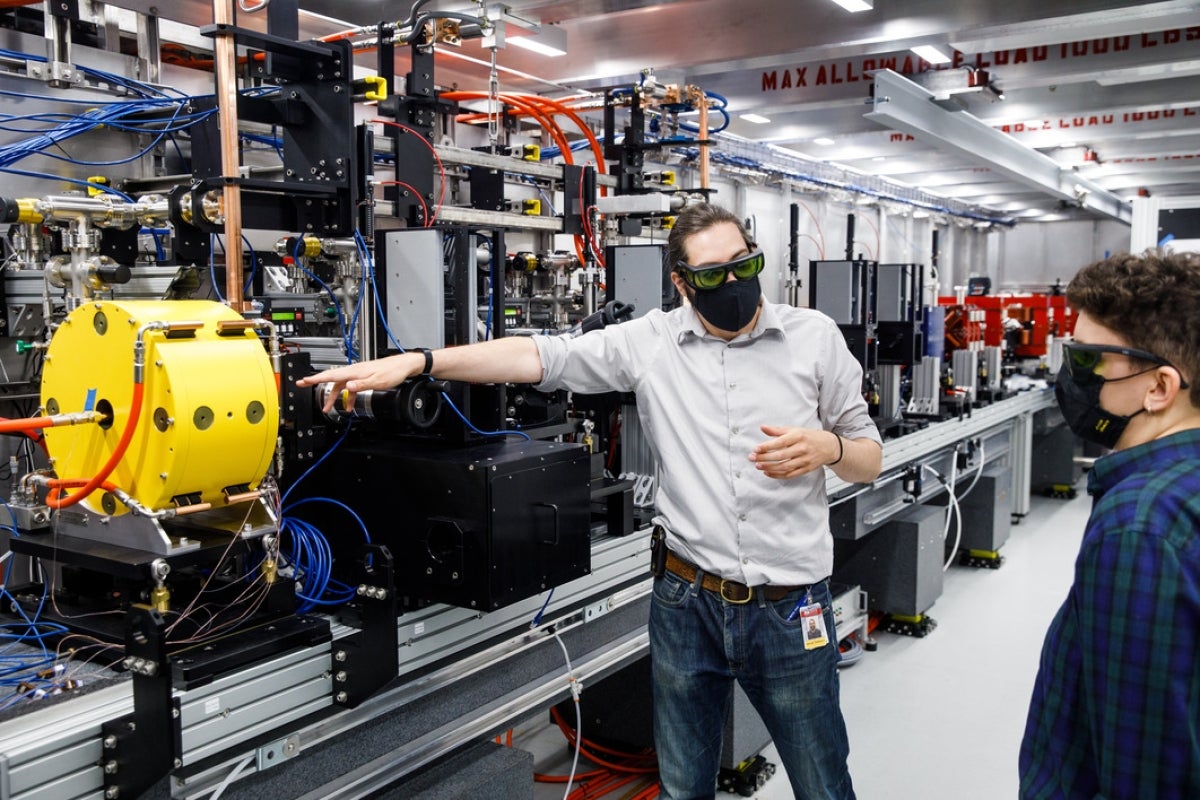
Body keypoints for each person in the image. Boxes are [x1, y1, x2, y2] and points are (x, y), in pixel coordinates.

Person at [298, 203, 883, 800]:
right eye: (712, 275)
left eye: (744, 264)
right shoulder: (652, 343)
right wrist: (419, 362)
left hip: (788, 608)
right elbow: (538, 356)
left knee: (822, 782)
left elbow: (870, 457)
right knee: (683, 784)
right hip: (686, 603)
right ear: (682, 284)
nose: (733, 283)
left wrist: (828, 447)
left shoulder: (814, 338)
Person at [1020, 250, 1200, 799]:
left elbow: (1143, 769)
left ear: (1160, 387)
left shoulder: (1139, 528)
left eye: (1089, 362)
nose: (1071, 376)